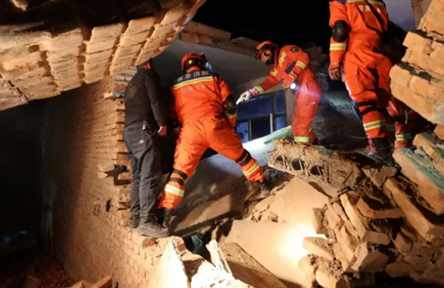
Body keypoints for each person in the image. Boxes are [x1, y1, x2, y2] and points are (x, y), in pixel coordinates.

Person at [157, 53, 265, 211]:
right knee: (243, 158)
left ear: (184, 67)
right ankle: (263, 186)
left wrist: (178, 136)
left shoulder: (175, 87)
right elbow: (230, 105)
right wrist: (230, 126)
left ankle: (164, 214)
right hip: (215, 125)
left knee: (179, 174)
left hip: (190, 130)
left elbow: (172, 118)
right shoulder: (214, 78)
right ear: (201, 63)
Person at [326, 0, 399, 162]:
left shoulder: (341, 1)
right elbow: (387, 32)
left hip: (357, 54)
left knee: (364, 102)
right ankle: (394, 146)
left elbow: (340, 31)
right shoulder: (377, 1)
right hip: (380, 54)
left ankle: (382, 152)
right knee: (382, 104)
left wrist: (334, 63)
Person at [238, 42, 322, 145]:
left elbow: (303, 57)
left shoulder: (286, 51)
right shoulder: (276, 70)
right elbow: (268, 83)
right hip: (301, 94)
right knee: (296, 126)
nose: (263, 60)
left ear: (268, 51)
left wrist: (293, 74)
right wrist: (251, 92)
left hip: (308, 88)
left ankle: (304, 154)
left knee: (300, 128)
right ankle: (316, 146)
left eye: (262, 56)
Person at [123, 60, 168, 238]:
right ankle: (147, 222)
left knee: (138, 177)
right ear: (149, 63)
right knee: (149, 176)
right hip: (142, 131)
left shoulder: (131, 83)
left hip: (129, 133)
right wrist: (162, 123)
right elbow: (155, 99)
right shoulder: (148, 75)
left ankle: (135, 220)